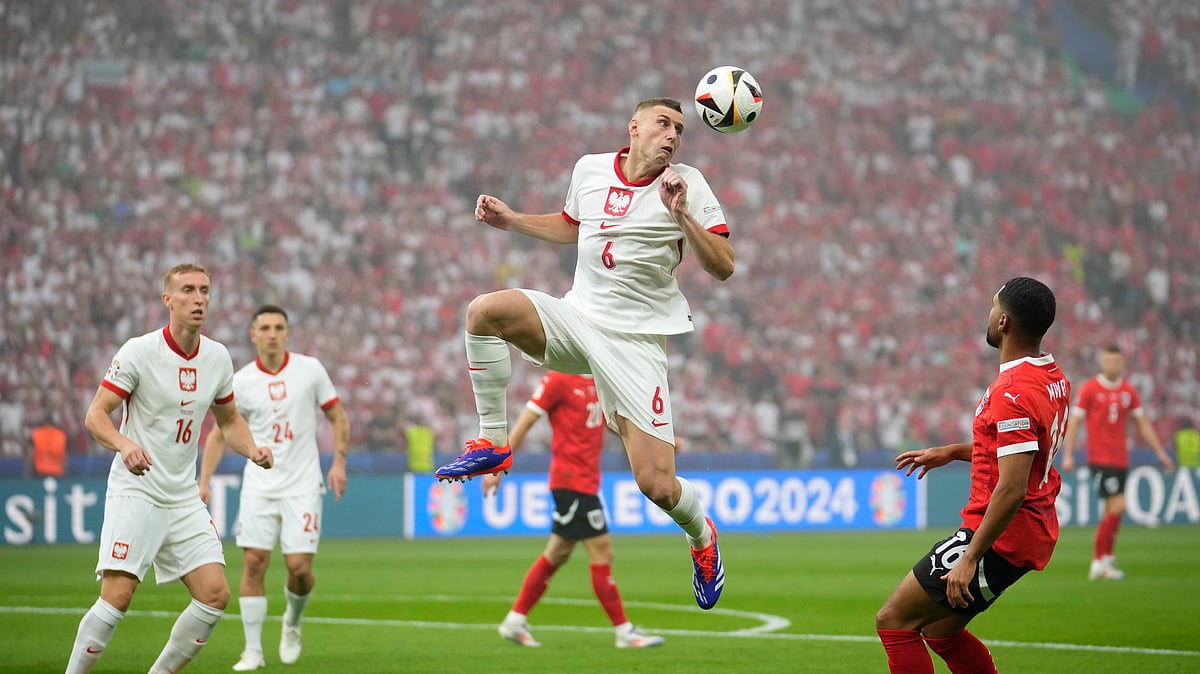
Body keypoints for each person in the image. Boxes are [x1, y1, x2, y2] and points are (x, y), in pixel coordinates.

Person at [434, 97, 733, 610]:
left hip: (635, 342)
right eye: (664, 124)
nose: (673, 136)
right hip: (578, 318)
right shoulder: (590, 169)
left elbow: (723, 264)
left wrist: (681, 215)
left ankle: (702, 536)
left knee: (657, 486)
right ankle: (494, 441)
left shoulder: (686, 183)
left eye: (680, 130)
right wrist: (512, 222)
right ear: (634, 127)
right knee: (483, 312)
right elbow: (574, 228)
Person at [66, 263, 274, 674]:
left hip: (182, 496)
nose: (199, 299)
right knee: (118, 597)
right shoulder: (139, 351)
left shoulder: (216, 357)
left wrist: (252, 449)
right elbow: (96, 416)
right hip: (137, 490)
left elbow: (229, 421)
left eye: (204, 291)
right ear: (168, 299)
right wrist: (125, 445)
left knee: (214, 595)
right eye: (188, 290)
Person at [876, 277, 1070, 674]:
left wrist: (970, 557)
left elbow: (1013, 486)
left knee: (894, 622)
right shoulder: (1052, 377)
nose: (989, 312)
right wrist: (954, 452)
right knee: (941, 632)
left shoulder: (1012, 391)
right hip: (1029, 529)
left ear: (1003, 322)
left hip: (1002, 535)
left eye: (992, 305)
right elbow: (1022, 455)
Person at [199, 305, 350, 671]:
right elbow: (220, 434)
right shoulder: (241, 381)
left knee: (298, 568)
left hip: (302, 484)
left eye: (278, 327)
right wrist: (203, 482)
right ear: (253, 334)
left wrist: (340, 462)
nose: (271, 333)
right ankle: (252, 650)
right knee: (253, 562)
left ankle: (293, 622)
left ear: (287, 332)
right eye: (264, 327)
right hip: (260, 484)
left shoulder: (310, 369)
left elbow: (337, 416)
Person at [485, 370, 664, 649]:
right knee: (602, 549)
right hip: (571, 482)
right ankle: (624, 631)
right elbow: (526, 421)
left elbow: (615, 423)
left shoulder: (599, 377)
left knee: (557, 553)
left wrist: (658, 444)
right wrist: (498, 465)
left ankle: (515, 621)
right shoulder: (558, 379)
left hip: (586, 482)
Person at [1061, 344, 1175, 580]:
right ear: (1102, 362)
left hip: (1121, 458)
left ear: (1122, 362)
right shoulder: (1090, 388)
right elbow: (1075, 422)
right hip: (1100, 459)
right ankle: (1097, 561)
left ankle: (1106, 557)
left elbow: (1142, 423)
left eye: (1116, 361)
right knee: (1119, 505)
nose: (1112, 364)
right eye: (1108, 360)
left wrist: (1161, 453)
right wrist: (1069, 454)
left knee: (1112, 511)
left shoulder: (1128, 391)